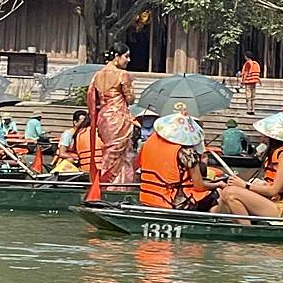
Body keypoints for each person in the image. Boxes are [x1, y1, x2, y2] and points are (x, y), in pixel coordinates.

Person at [213, 112, 283, 222]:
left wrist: (245, 185)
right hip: (274, 201)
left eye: (264, 135)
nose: (261, 137)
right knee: (227, 193)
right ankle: (243, 227)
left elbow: (273, 190)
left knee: (230, 192)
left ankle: (247, 232)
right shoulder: (277, 152)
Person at [139, 110, 226, 211]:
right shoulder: (186, 152)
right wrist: (218, 184)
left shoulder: (148, 142)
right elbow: (199, 186)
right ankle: (209, 224)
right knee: (216, 194)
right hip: (172, 200)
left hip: (147, 196)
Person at [87, 42, 135, 185]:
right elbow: (130, 99)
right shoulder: (123, 74)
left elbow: (91, 98)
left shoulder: (97, 75)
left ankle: (103, 185)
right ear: (116, 56)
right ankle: (116, 188)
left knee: (109, 153)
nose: (129, 60)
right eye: (126, 56)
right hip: (118, 117)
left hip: (104, 117)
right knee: (122, 155)